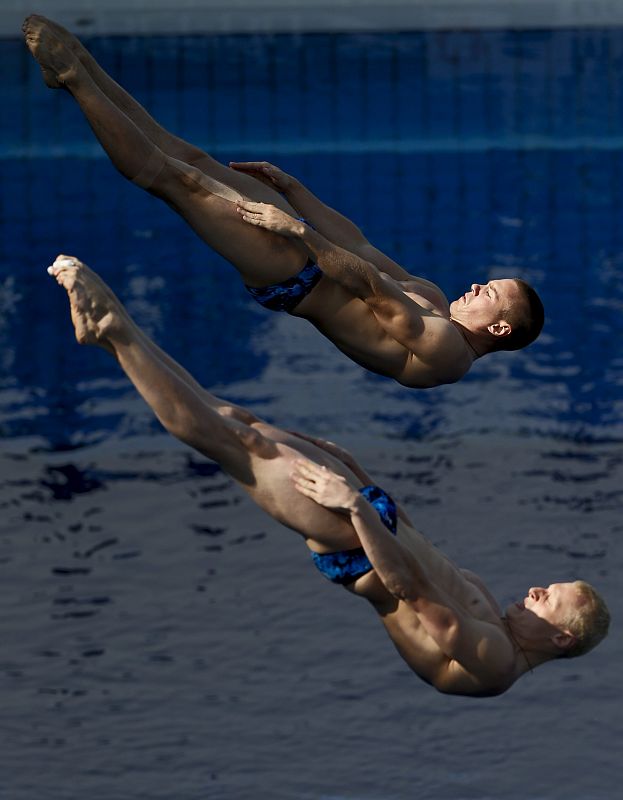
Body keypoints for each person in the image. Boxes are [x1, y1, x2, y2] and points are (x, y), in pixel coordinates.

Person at [47, 254, 608, 697]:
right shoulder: (491, 606)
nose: (536, 588)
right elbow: (426, 554)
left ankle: (113, 332)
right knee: (238, 421)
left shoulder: (495, 663)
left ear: (561, 637)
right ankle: (110, 331)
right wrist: (363, 480)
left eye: (548, 597)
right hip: (370, 514)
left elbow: (405, 587)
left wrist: (355, 506)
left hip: (358, 542)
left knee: (231, 442)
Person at [24, 15, 544, 390]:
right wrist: (295, 191)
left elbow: (372, 287)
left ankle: (73, 79)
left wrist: (295, 230)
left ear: (498, 328)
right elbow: (359, 245)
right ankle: (86, 66)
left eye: (489, 292)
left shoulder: (449, 355)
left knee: (177, 182)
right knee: (194, 158)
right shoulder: (432, 295)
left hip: (294, 278)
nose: (477, 284)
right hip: (312, 255)